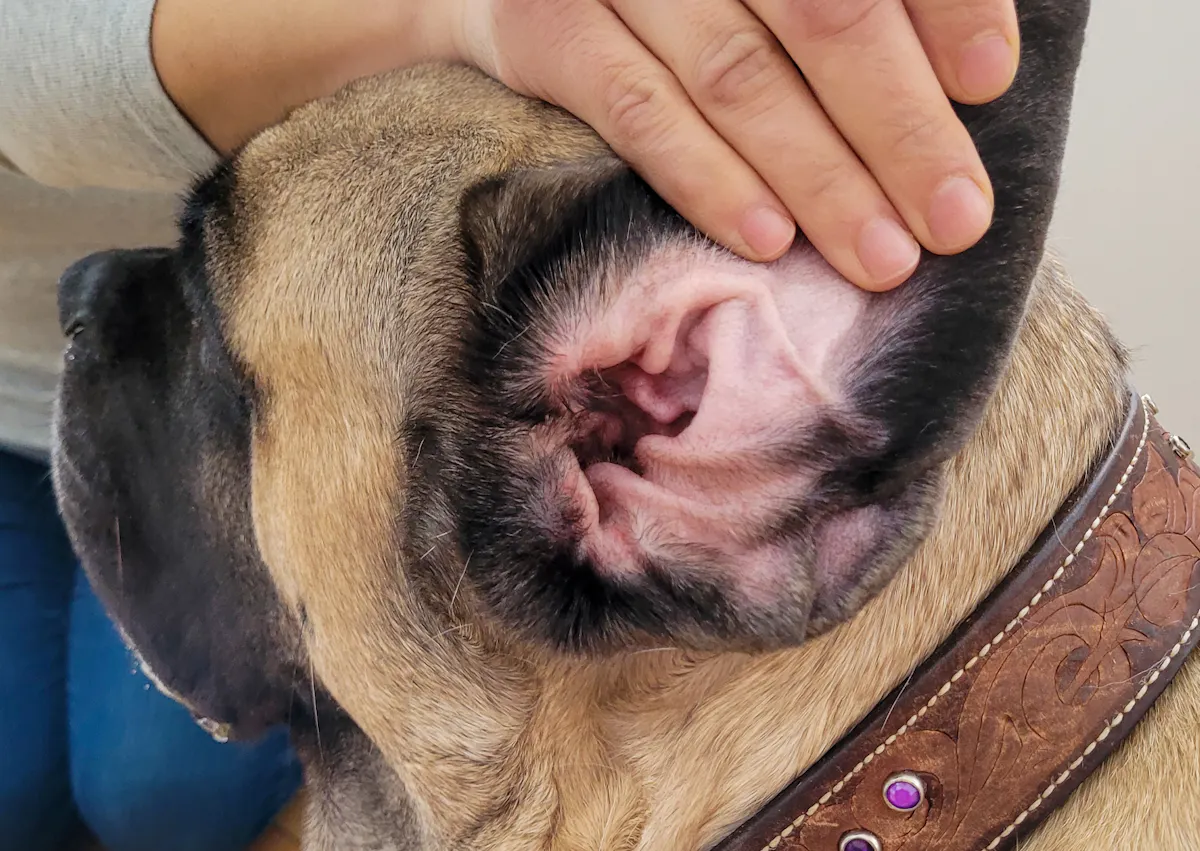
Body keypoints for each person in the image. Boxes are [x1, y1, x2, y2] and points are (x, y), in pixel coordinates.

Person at [0, 1, 1017, 848]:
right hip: (28, 375)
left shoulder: (607, 397)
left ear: (652, 420)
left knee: (153, 795)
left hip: (328, 366)